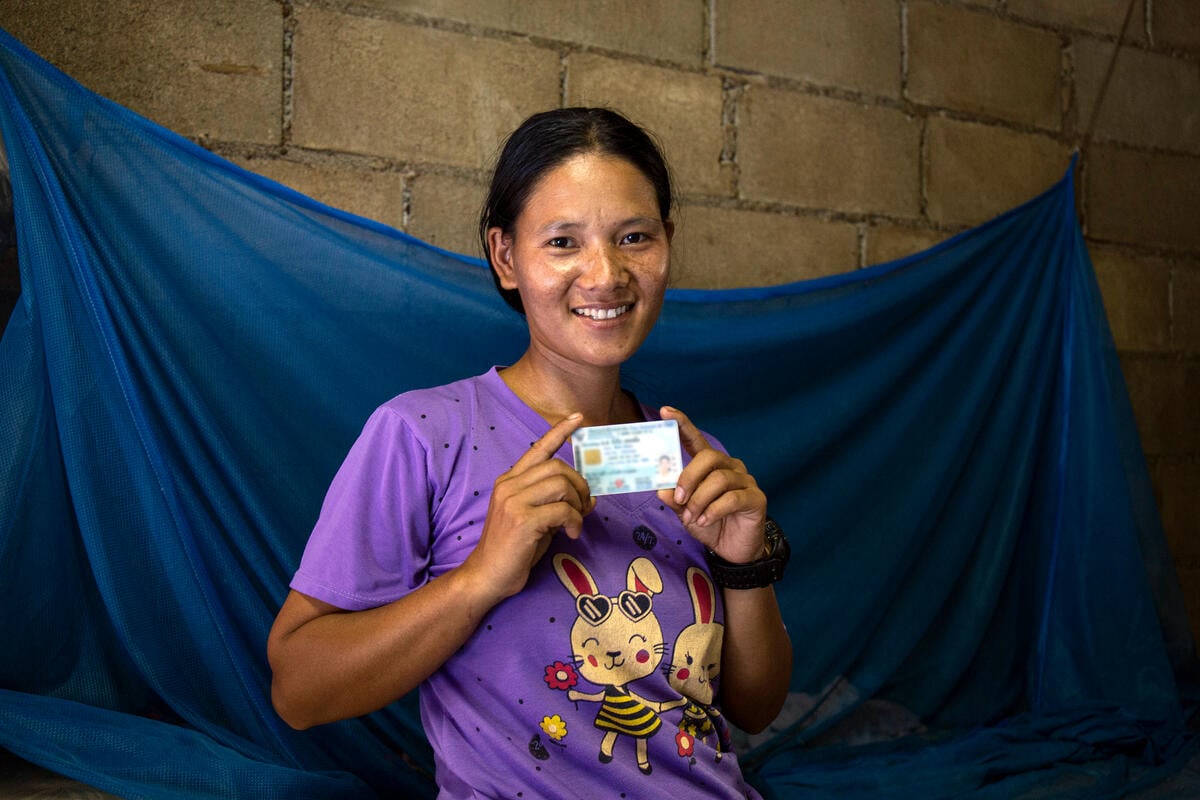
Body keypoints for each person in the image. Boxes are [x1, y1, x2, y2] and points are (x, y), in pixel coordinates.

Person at [268, 107, 793, 798]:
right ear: (506, 258)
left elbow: (752, 709)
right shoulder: (424, 434)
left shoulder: (690, 455)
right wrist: (478, 577)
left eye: (634, 237)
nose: (605, 275)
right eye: (562, 242)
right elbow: (299, 690)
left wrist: (744, 567)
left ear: (668, 242)